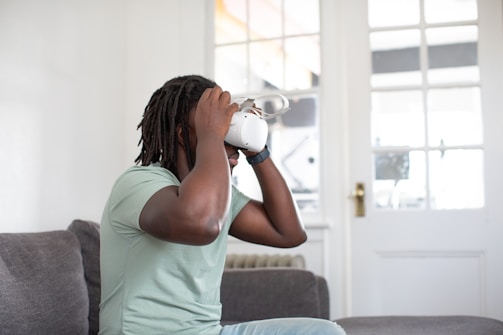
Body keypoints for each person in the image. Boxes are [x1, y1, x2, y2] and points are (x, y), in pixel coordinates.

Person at [99, 74, 346, 335]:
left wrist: (257, 151)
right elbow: (203, 223)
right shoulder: (139, 183)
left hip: (207, 332)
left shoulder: (218, 197)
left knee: (325, 332)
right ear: (185, 135)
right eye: (220, 132)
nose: (233, 152)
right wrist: (211, 137)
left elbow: (289, 233)